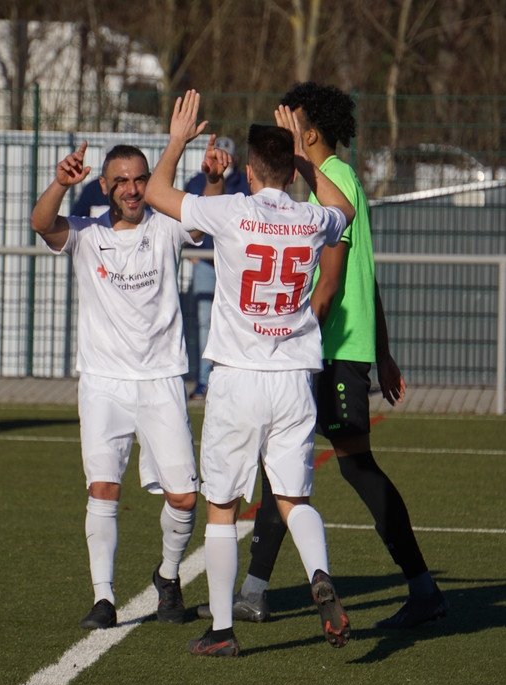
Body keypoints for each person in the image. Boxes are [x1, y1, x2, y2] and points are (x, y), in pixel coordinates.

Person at [204, 82, 449, 630]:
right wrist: (382, 349)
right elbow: (368, 273)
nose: (279, 121)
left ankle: (422, 586)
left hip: (326, 347)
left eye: (288, 117)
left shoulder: (329, 180)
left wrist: (279, 339)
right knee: (280, 471)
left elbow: (332, 281)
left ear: (307, 133)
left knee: (356, 467)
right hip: (334, 347)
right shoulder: (338, 181)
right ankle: (254, 590)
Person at [145, 90, 355, 656]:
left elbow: (156, 193)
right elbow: (346, 212)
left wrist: (177, 140)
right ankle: (318, 574)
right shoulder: (311, 217)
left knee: (222, 507)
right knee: (293, 499)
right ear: (289, 170)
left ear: (248, 169)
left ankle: (220, 631)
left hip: (239, 377)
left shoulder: (232, 210)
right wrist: (307, 160)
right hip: (294, 378)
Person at [30, 141, 202, 631]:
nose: (131, 188)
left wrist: (208, 176)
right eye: (120, 180)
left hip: (162, 380)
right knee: (103, 489)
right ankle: (103, 598)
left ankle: (167, 576)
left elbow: (200, 217)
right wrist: (61, 183)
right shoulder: (85, 233)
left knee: (185, 498)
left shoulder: (165, 226)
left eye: (139, 178)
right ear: (103, 187)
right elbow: (42, 224)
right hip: (103, 383)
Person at [183, 136, 250, 401]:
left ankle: (232, 382)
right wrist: (193, 254)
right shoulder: (196, 181)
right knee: (203, 323)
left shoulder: (244, 182)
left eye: (226, 153)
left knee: (238, 323)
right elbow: (186, 219)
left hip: (236, 266)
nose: (223, 158)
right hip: (206, 265)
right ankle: (203, 381)